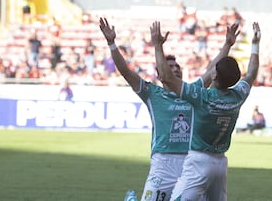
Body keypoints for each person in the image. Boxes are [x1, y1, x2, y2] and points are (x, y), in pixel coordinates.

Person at [99, 17, 239, 201]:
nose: (175, 69)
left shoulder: (193, 91)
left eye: (177, 67)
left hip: (191, 162)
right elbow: (126, 72)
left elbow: (213, 69)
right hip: (163, 163)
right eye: (170, 66)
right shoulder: (152, 93)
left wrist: (227, 45)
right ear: (161, 73)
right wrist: (111, 43)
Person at [152, 20, 260, 201]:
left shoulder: (201, 97)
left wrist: (157, 46)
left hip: (199, 162)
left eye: (214, 70)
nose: (211, 69)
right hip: (220, 163)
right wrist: (255, 45)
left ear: (215, 76)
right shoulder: (238, 96)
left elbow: (166, 78)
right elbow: (251, 74)